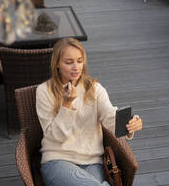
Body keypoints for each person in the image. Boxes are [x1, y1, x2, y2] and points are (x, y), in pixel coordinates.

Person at [36, 38, 143, 186]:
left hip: (92, 163)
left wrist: (130, 123)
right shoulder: (44, 92)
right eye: (69, 62)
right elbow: (55, 137)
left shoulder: (95, 89)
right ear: (57, 64)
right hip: (57, 160)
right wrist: (66, 105)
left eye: (79, 61)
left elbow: (110, 117)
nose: (76, 67)